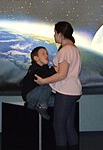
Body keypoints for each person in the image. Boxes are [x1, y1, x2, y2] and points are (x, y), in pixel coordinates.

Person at [34, 21, 82, 150]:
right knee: (68, 125)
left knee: (59, 125)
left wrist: (43, 81)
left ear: (60, 34)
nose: (54, 35)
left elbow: (62, 75)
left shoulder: (65, 50)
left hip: (66, 92)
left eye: (55, 32)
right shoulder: (74, 49)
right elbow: (66, 70)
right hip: (74, 91)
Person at [21, 46, 56, 119]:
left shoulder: (45, 68)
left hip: (40, 97)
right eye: (43, 54)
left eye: (47, 54)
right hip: (31, 96)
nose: (46, 55)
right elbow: (44, 76)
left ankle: (41, 104)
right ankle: (41, 106)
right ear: (36, 58)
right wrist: (55, 69)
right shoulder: (33, 69)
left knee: (57, 101)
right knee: (45, 84)